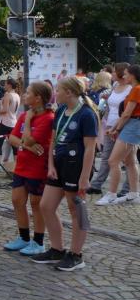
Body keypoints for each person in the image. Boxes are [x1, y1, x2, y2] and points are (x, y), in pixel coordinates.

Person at [32, 77, 98, 270]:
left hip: (75, 167)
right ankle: (57, 249)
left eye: (58, 90)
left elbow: (90, 148)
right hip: (58, 165)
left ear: (69, 92)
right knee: (46, 206)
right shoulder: (61, 111)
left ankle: (76, 255)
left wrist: (84, 177)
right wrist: (51, 165)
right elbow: (53, 140)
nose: (55, 93)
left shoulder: (86, 114)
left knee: (76, 211)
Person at [4, 81, 54, 255]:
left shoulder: (48, 118)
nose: (24, 95)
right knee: (17, 200)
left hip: (38, 167)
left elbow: (27, 139)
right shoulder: (25, 115)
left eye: (28, 92)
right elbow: (12, 138)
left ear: (38, 98)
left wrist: (27, 122)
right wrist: (26, 146)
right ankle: (23, 238)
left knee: (36, 204)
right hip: (22, 166)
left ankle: (38, 242)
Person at [98, 64, 140, 205]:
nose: (124, 76)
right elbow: (125, 114)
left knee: (113, 161)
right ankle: (133, 194)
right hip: (132, 125)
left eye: (126, 74)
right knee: (130, 161)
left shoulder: (136, 89)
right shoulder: (134, 89)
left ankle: (111, 194)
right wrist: (115, 128)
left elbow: (127, 114)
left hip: (132, 126)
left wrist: (116, 129)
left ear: (133, 75)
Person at [89, 63, 131, 195]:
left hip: (124, 126)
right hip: (110, 125)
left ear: (121, 73)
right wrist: (106, 120)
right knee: (106, 156)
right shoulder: (115, 85)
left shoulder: (131, 88)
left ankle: (127, 189)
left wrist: (117, 127)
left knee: (128, 159)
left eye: (114, 71)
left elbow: (128, 111)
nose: (111, 74)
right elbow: (108, 106)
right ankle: (97, 185)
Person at [0, 78, 21, 168]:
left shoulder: (8, 95)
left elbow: (5, 110)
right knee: (14, 145)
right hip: (13, 122)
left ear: (9, 85)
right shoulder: (17, 95)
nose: (4, 86)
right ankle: (16, 164)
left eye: (5, 84)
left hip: (5, 122)